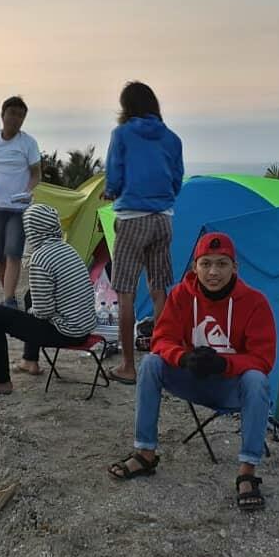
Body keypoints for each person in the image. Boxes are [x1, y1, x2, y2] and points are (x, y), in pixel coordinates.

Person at [106, 232, 275, 512]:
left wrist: (224, 364)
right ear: (194, 267)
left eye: (222, 264)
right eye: (206, 263)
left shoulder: (255, 302)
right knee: (151, 363)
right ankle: (145, 453)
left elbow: (263, 358)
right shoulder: (181, 296)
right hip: (191, 378)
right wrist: (183, 358)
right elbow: (162, 340)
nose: (213, 272)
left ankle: (247, 472)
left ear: (235, 268)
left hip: (230, 387)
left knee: (257, 380)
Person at [102, 81, 184, 384]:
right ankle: (160, 360)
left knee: (125, 291)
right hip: (163, 217)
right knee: (159, 288)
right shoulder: (172, 138)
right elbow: (177, 179)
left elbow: (114, 174)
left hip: (132, 216)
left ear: (127, 107)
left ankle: (128, 366)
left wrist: (111, 192)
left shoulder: (121, 134)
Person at [0, 204, 97, 397]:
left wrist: (24, 316)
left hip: (67, 332)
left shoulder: (41, 257)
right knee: (31, 295)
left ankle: (0, 381)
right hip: (84, 328)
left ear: (32, 230)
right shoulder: (67, 248)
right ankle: (30, 360)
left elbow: (43, 312)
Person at [0, 96, 41, 308]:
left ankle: (9, 299)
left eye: (21, 116)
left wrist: (28, 190)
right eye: (12, 114)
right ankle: (7, 294)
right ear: (3, 115)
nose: (16, 119)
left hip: (19, 207)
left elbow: (36, 174)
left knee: (13, 252)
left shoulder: (28, 143)